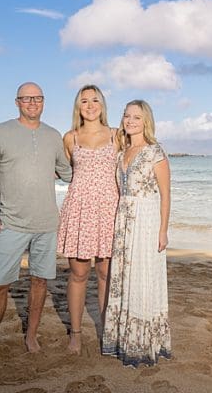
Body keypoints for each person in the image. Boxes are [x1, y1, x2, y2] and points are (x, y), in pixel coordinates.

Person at [0, 82, 72, 370]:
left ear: (44, 101)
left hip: (47, 224)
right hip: (11, 224)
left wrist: (92, 157)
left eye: (37, 98)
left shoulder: (53, 136)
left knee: (40, 281)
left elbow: (68, 173)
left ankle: (31, 336)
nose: (32, 103)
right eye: (27, 99)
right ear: (17, 102)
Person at [101, 99, 172, 367]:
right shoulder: (121, 153)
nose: (130, 121)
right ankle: (123, 339)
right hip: (124, 221)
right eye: (127, 116)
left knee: (142, 277)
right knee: (123, 277)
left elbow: (166, 195)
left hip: (146, 222)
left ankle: (144, 343)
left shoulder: (155, 152)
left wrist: (163, 230)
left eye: (137, 117)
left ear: (146, 122)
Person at [57, 85, 119, 354]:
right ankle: (76, 333)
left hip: (109, 211)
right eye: (84, 101)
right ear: (78, 107)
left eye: (95, 100)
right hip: (79, 210)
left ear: (102, 105)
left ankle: (106, 331)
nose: (90, 105)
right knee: (79, 274)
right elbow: (62, 171)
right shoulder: (70, 138)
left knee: (106, 274)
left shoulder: (117, 135)